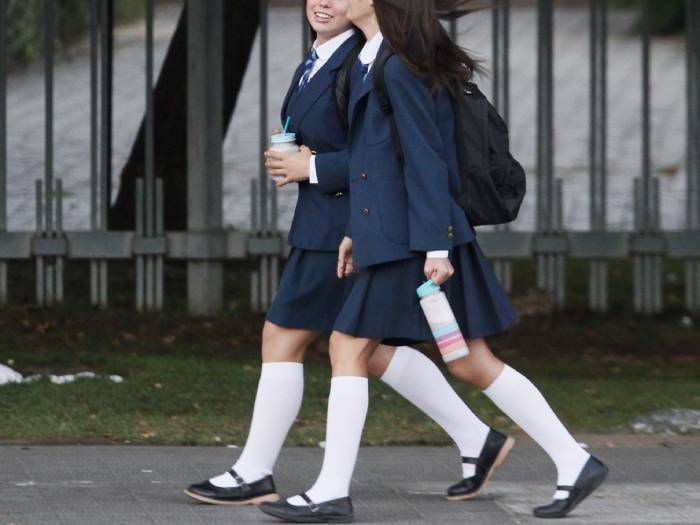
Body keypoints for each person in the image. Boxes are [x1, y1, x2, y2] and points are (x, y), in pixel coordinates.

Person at [259, 0, 608, 522]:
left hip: (417, 243)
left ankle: (331, 492)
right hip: (402, 236)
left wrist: (437, 248)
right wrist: (357, 228)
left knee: (348, 346)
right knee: (469, 359)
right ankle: (574, 460)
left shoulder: (398, 65)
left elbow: (425, 160)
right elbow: (380, 160)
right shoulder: (374, 58)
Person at [184, 0, 510, 508]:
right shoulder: (322, 56)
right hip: (332, 224)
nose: (324, 1)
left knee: (298, 338)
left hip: (346, 225)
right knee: (365, 350)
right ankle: (476, 439)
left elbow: (379, 155)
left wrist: (312, 168)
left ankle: (262, 473)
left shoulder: (365, 59)